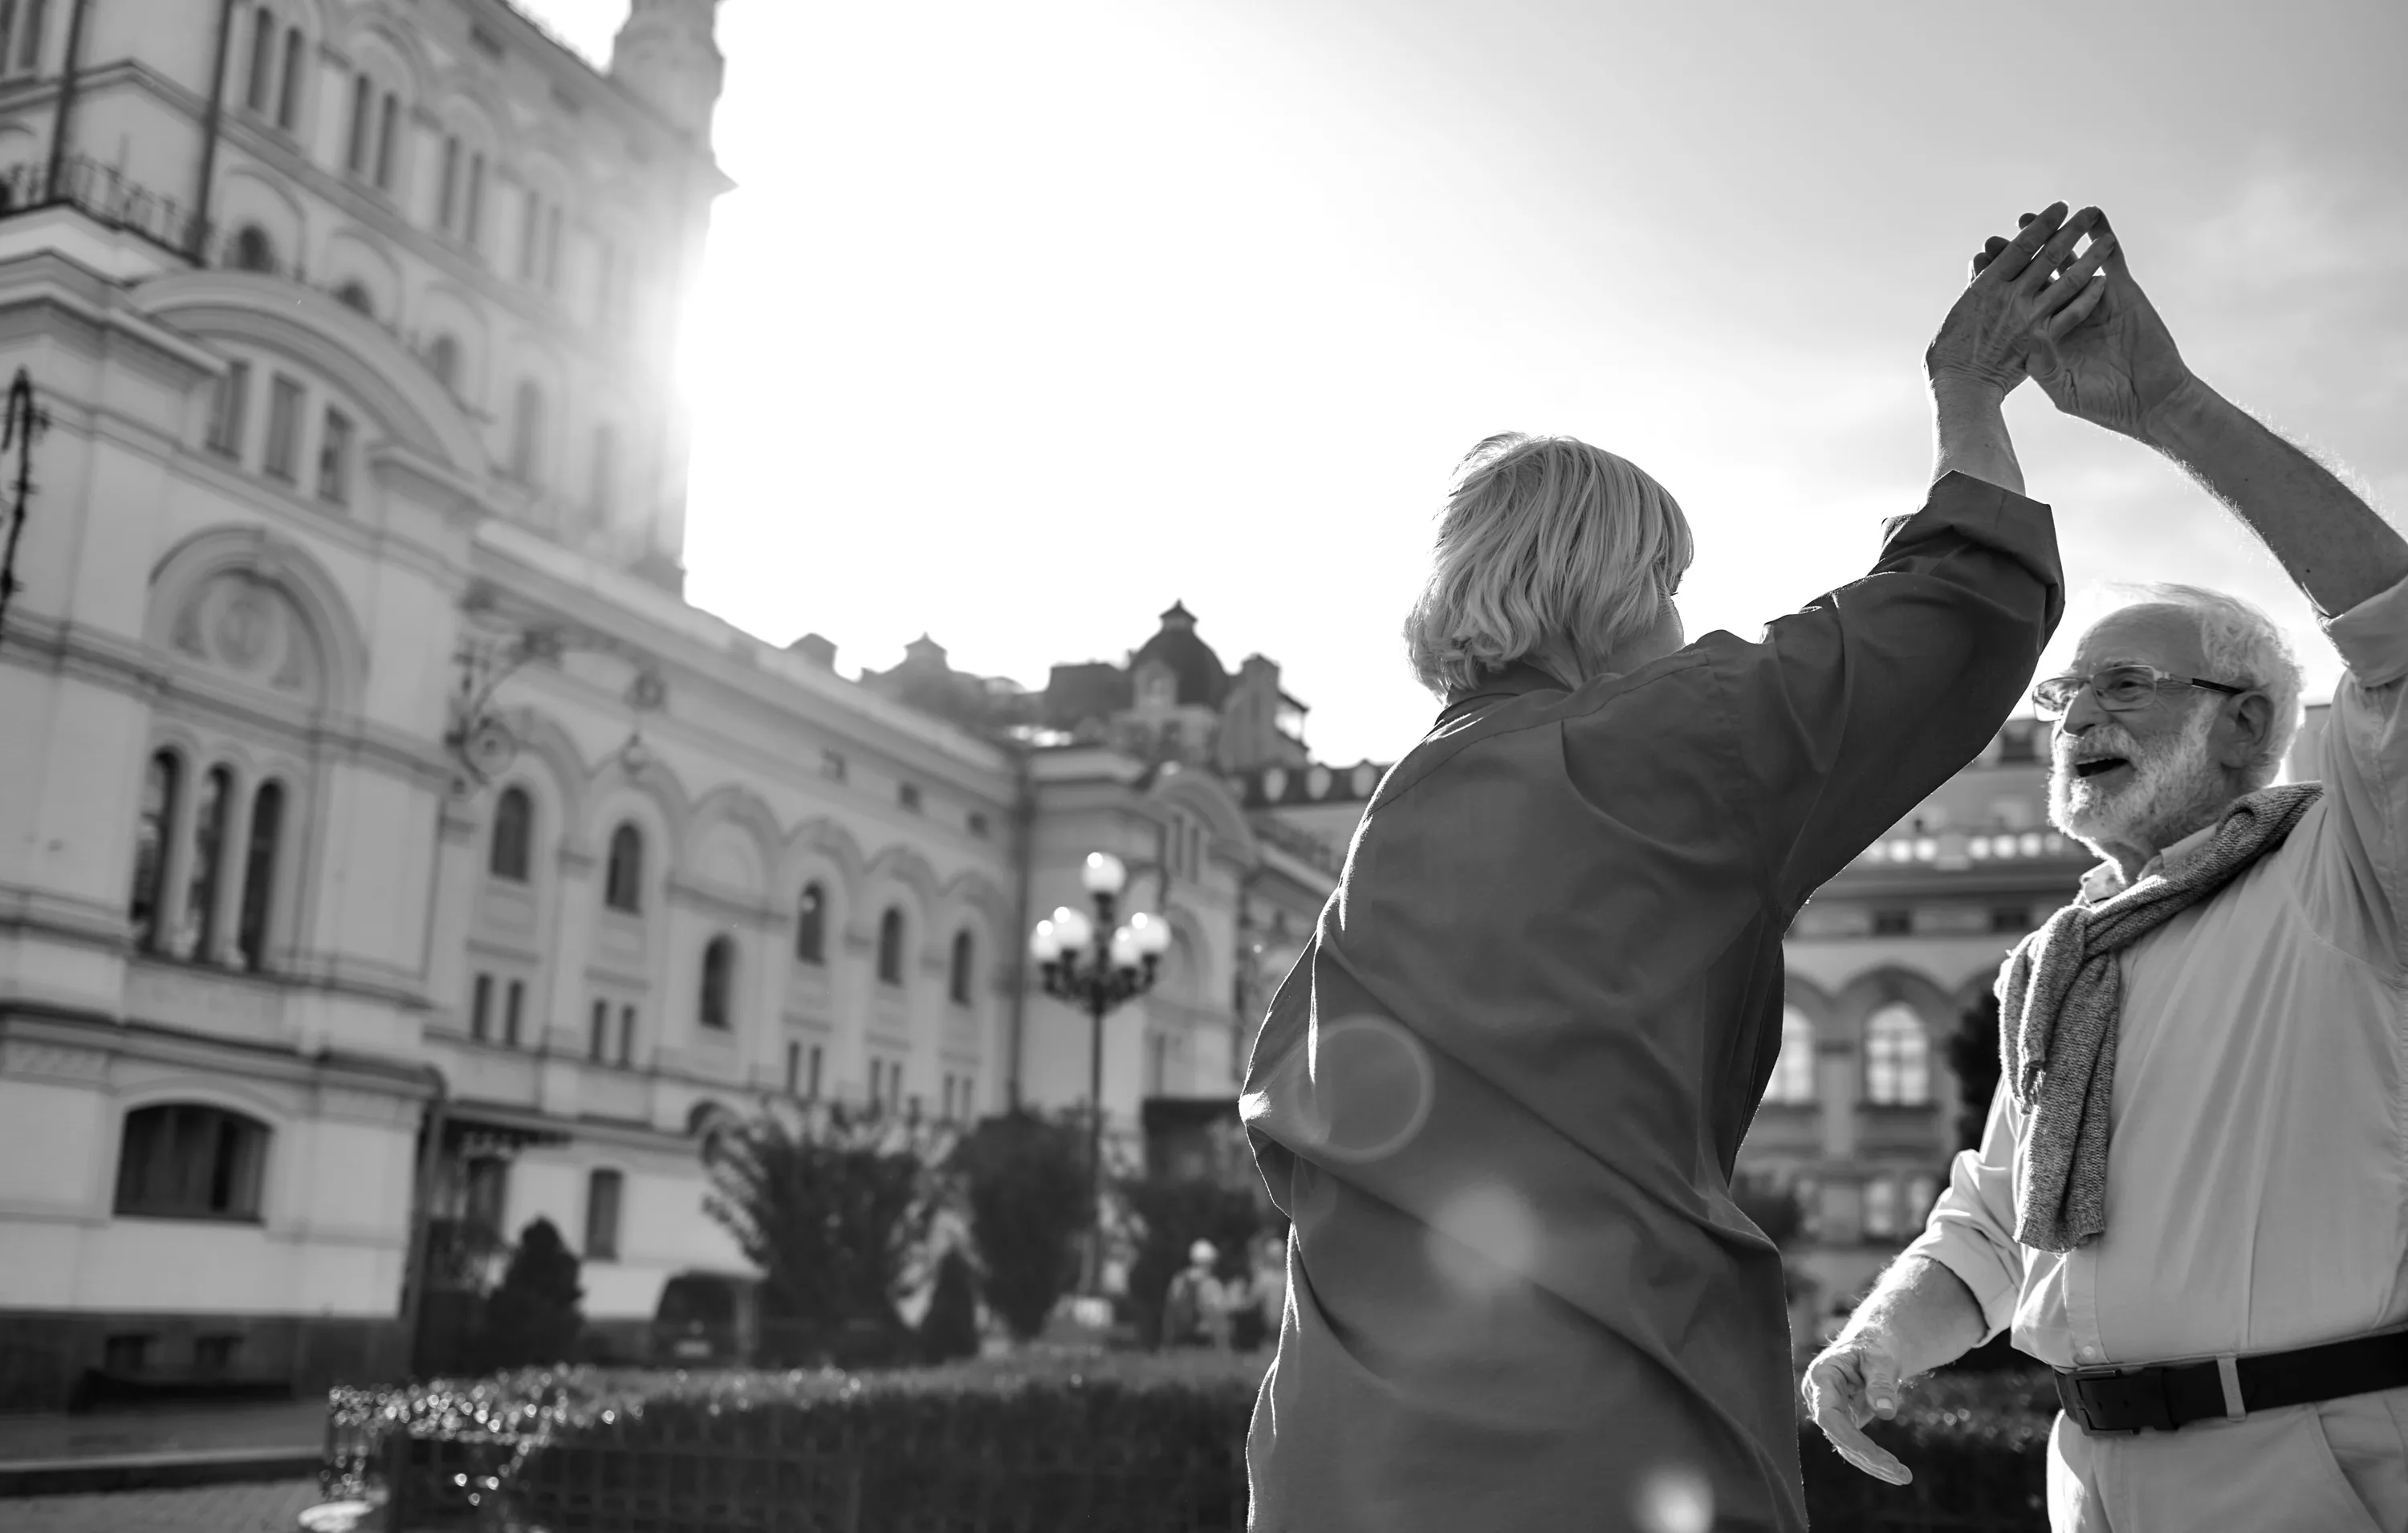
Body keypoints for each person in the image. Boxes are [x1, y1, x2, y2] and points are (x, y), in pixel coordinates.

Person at [1240, 204, 2106, 1533]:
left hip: (1339, 1450)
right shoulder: (1643, 747)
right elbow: (1956, 612)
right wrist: (1969, 395)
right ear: (1608, 582)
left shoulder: (1399, 812)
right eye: (1671, 581)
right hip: (1593, 1430)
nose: (1685, 621)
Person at [1804, 213, 2408, 1531]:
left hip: (2306, 1460)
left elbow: (2399, 641)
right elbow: (2000, 1225)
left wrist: (2169, 407)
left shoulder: (2348, 859)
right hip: (2089, 1475)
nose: (2075, 719)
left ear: (2249, 723)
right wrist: (1876, 1346)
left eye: (2125, 685)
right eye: (2068, 693)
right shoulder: (2057, 958)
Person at [1163, 1238, 1227, 1349]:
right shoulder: (1210, 1282)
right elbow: (1220, 1309)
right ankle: (1224, 1350)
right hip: (1202, 1325)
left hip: (1178, 1326)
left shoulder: (1179, 1278)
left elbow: (1171, 1304)